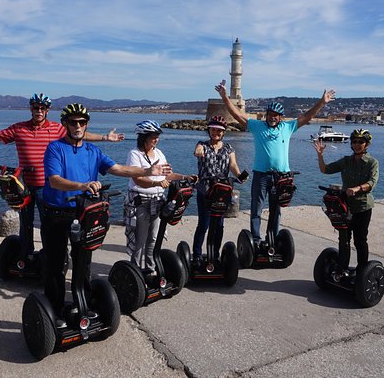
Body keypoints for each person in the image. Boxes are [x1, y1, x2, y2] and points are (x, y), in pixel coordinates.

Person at [0, 93, 124, 260]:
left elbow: (80, 133)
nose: (39, 111)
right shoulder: (19, 128)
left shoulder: (57, 128)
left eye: (42, 108)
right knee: (25, 224)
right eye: (36, 107)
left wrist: (104, 138)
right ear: (31, 109)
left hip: (46, 186)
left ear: (47, 110)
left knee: (47, 224)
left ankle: (49, 256)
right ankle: (25, 255)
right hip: (24, 185)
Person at [42, 104, 171, 325]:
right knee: (56, 264)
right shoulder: (55, 148)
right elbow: (54, 180)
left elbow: (119, 169)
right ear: (65, 124)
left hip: (83, 213)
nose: (78, 126)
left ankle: (82, 304)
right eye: (73, 122)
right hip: (56, 213)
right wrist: (82, 185)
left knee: (83, 263)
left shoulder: (93, 151)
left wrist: (147, 171)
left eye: (82, 122)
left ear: (86, 125)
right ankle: (55, 310)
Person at [215, 81, 335, 247]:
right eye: (270, 114)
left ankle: (272, 239)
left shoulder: (288, 127)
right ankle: (256, 241)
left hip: (281, 177)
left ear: (280, 117)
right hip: (261, 175)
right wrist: (224, 97)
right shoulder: (257, 126)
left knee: (276, 210)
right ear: (266, 115)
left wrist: (322, 102)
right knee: (256, 209)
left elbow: (307, 116)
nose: (272, 117)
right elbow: (236, 115)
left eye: (276, 115)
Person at [124, 120, 196, 276]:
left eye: (157, 136)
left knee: (153, 239)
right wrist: (155, 183)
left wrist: (186, 176)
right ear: (143, 137)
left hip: (157, 201)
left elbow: (168, 175)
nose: (156, 139)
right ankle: (135, 273)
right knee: (140, 241)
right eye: (153, 136)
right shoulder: (134, 154)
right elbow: (137, 179)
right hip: (140, 201)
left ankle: (150, 269)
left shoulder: (159, 153)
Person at [314, 129, 379, 278]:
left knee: (360, 240)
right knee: (343, 238)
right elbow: (325, 170)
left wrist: (357, 188)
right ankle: (341, 268)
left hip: (362, 207)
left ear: (366, 144)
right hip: (345, 206)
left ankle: (362, 271)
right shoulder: (345, 161)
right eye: (354, 141)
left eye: (360, 142)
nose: (357, 144)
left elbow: (372, 182)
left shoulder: (372, 163)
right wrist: (320, 155)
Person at [192, 115, 244, 265]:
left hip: (222, 191)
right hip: (205, 191)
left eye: (220, 131)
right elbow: (198, 151)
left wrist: (239, 175)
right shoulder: (202, 144)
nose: (216, 133)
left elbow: (233, 165)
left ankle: (214, 254)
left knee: (219, 225)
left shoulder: (228, 148)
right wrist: (198, 150)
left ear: (224, 133)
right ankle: (196, 255)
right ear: (209, 130)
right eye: (213, 129)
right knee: (204, 224)